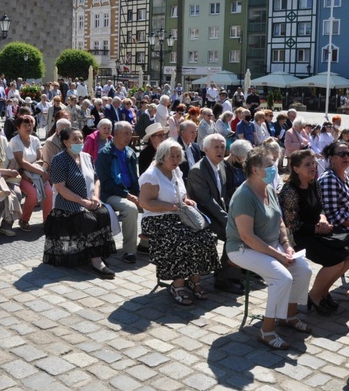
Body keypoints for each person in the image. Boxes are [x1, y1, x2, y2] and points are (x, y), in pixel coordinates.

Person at [227, 147, 313, 349]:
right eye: (270, 165)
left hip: (269, 244)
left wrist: (286, 246)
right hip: (242, 248)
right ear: (256, 170)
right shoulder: (244, 196)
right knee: (282, 278)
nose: (275, 168)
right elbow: (247, 236)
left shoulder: (268, 188)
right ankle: (266, 330)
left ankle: (288, 316)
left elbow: (280, 221)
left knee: (303, 270)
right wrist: (279, 256)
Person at [138, 139, 219, 304]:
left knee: (205, 235)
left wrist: (186, 200)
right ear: (162, 156)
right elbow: (145, 203)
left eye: (178, 156)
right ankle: (178, 284)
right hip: (155, 218)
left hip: (178, 214)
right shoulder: (152, 175)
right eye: (171, 156)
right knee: (181, 237)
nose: (176, 160)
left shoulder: (176, 171)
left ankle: (195, 279)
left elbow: (182, 194)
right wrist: (172, 206)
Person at [279, 149, 349, 315]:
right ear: (296, 169)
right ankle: (315, 295)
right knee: (335, 260)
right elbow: (291, 224)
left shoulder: (314, 183)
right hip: (299, 237)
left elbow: (321, 209)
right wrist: (315, 228)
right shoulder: (290, 191)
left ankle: (323, 291)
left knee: (348, 256)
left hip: (318, 230)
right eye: (307, 164)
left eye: (313, 163)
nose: (313, 167)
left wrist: (323, 219)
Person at [43, 128, 117, 278]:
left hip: (89, 199)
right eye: (74, 139)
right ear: (65, 142)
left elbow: (96, 178)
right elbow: (61, 188)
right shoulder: (59, 160)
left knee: (103, 213)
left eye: (80, 139)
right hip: (68, 202)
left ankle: (96, 252)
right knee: (87, 219)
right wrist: (83, 202)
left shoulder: (87, 157)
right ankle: (96, 261)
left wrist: (96, 196)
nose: (79, 142)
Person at [188, 133, 243, 293]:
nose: (220, 150)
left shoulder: (222, 166)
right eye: (216, 147)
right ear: (205, 149)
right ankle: (224, 278)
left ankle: (233, 270)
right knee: (235, 234)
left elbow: (224, 196)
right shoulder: (198, 171)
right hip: (204, 216)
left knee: (244, 227)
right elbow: (206, 202)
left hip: (218, 213)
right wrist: (229, 220)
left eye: (222, 146)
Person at [96, 121, 143, 263]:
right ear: (116, 134)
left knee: (152, 202)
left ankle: (146, 245)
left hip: (129, 192)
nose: (130, 137)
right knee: (130, 208)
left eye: (131, 133)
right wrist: (128, 196)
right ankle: (129, 251)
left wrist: (139, 194)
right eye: (126, 133)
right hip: (111, 194)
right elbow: (106, 182)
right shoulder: (105, 154)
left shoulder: (130, 152)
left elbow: (134, 178)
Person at [10, 115, 53, 231]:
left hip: (37, 174)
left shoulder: (35, 139)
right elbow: (22, 163)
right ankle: (24, 219)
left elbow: (40, 159)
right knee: (33, 194)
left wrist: (38, 171)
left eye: (30, 124)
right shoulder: (14, 142)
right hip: (21, 174)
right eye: (25, 125)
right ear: (18, 128)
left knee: (49, 192)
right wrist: (39, 171)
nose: (29, 127)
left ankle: (47, 221)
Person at [318, 142, 349, 230]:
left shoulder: (345, 174)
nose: (346, 157)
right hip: (341, 230)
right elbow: (333, 216)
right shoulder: (329, 179)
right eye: (342, 154)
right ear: (331, 158)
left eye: (348, 154)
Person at [223, 139, 251, 206]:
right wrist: (236, 190)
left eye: (245, 160)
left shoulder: (244, 165)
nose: (242, 163)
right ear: (232, 154)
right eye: (240, 160)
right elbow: (221, 193)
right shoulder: (222, 167)